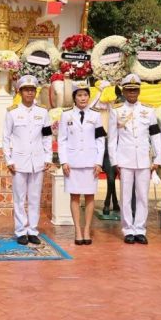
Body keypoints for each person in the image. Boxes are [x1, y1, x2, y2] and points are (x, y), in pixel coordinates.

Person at [108, 73, 161, 245]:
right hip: (124, 159)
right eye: (129, 90)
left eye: (135, 90)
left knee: (142, 196)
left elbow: (155, 136)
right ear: (124, 91)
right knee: (125, 196)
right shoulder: (116, 110)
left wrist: (158, 158)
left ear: (139, 91)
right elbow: (112, 139)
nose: (132, 93)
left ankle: (140, 229)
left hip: (144, 159)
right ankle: (128, 229)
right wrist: (114, 161)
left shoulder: (148, 110)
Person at [2, 75, 51, 245]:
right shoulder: (12, 112)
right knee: (19, 198)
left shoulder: (43, 112)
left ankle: (33, 230)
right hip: (19, 161)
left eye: (32, 90)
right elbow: (5, 137)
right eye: (26, 90)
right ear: (20, 92)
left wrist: (48, 156)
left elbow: (47, 136)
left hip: (38, 160)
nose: (29, 93)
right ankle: (21, 231)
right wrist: (8, 160)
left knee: (35, 197)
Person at [58, 80, 106, 245]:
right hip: (72, 162)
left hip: (91, 162)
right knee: (75, 196)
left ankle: (87, 230)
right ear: (74, 97)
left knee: (90, 196)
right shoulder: (66, 115)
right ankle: (78, 230)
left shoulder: (96, 115)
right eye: (79, 95)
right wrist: (64, 161)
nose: (83, 98)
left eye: (85, 95)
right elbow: (62, 140)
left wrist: (99, 162)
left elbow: (100, 140)